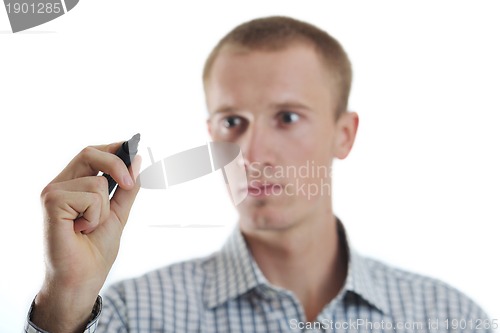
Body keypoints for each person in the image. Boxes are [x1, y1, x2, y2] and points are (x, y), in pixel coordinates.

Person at [26, 16, 493, 333]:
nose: (252, 152)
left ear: (344, 135)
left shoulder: (448, 317)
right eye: (233, 123)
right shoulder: (128, 317)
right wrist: (64, 299)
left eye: (287, 118)